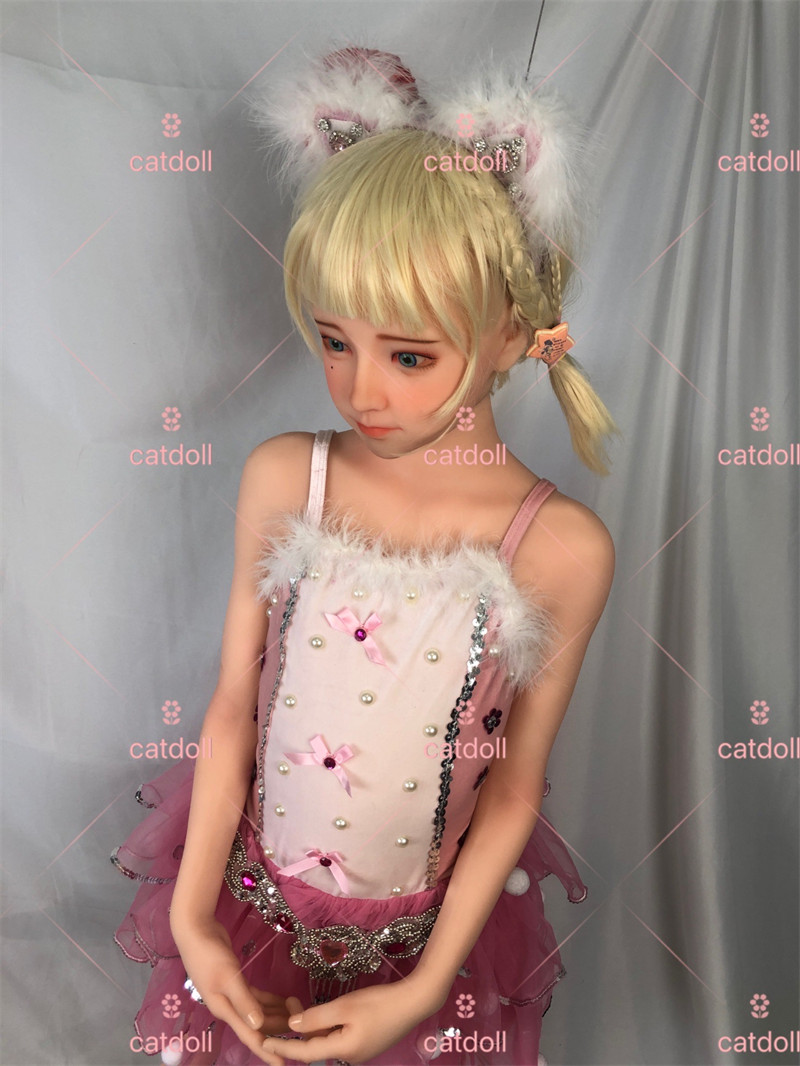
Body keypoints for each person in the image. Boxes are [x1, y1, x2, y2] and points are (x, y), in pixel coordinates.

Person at [111, 46, 619, 1066]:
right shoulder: (285, 478)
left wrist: (423, 989)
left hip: (421, 946)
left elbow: (512, 787)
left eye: (410, 355)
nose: (361, 391)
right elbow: (233, 705)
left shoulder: (557, 545)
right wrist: (194, 919)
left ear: (513, 335)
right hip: (251, 902)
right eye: (335, 340)